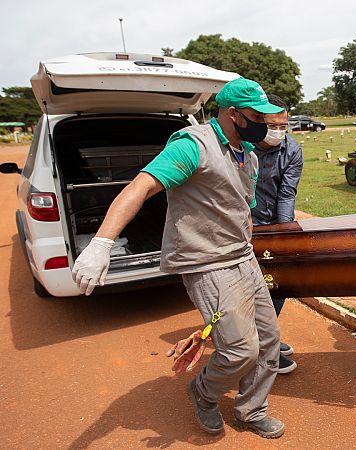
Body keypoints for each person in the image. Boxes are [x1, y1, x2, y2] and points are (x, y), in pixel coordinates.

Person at [71, 77, 287, 439]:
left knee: (268, 341)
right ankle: (203, 393)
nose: (264, 124)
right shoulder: (194, 146)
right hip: (208, 264)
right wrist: (102, 243)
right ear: (233, 114)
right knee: (239, 349)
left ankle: (252, 409)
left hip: (243, 257)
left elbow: (241, 209)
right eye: (256, 116)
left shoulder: (247, 156)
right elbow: (140, 186)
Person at [252, 93, 304, 375]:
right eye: (274, 126)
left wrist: (284, 233)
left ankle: (266, 338)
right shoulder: (243, 149)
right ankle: (261, 346)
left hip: (273, 222)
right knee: (253, 288)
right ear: (257, 122)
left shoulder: (292, 151)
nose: (279, 132)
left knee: (278, 281)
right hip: (244, 225)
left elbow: (287, 194)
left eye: (284, 126)